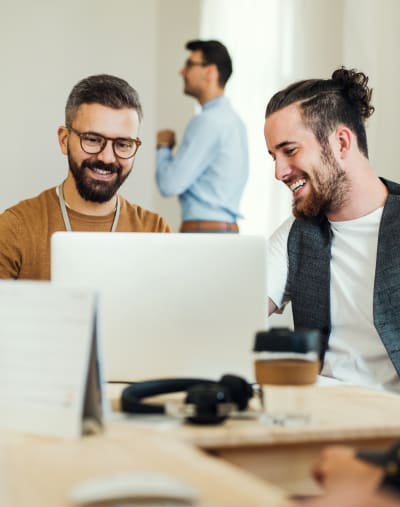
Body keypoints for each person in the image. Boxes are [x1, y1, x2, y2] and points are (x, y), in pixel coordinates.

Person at [264, 66, 400, 392]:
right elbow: (233, 313)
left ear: (341, 142)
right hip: (324, 420)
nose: (279, 172)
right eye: (273, 156)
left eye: (290, 150)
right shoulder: (295, 235)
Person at [0, 74, 171, 280]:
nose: (107, 158)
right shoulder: (15, 227)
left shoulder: (155, 231)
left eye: (123, 144)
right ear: (64, 140)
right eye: (92, 139)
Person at [155, 39, 248, 233]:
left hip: (204, 232)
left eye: (189, 64)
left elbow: (169, 184)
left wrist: (163, 147)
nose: (182, 72)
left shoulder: (207, 121)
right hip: (227, 231)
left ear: (210, 72)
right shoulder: (235, 122)